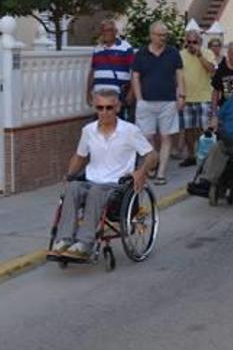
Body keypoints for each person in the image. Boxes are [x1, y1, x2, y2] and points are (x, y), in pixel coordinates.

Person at [49, 89, 157, 260]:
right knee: (73, 188)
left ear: (118, 107)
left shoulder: (130, 131)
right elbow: (80, 157)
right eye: (100, 108)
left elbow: (152, 155)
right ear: (95, 108)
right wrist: (69, 176)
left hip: (116, 186)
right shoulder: (88, 131)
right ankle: (63, 240)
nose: (104, 112)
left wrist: (141, 171)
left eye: (109, 108)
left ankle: (84, 243)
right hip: (91, 181)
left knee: (96, 192)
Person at [131, 22, 185, 186]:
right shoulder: (141, 53)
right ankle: (153, 163)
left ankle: (161, 172)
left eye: (165, 35)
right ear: (151, 35)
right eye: (160, 35)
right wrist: (139, 98)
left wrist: (182, 95)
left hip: (168, 101)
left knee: (166, 137)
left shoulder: (173, 53)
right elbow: (135, 77)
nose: (163, 38)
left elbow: (180, 75)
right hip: (146, 101)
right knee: (147, 137)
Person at [178, 30, 216, 167]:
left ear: (200, 42)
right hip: (187, 97)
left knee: (203, 128)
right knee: (188, 129)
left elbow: (212, 70)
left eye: (195, 42)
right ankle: (191, 155)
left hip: (204, 97)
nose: (191, 45)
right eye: (189, 42)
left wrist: (200, 56)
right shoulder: (180, 55)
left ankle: (205, 155)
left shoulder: (207, 53)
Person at [87, 20, 135, 121]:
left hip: (118, 95)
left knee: (119, 125)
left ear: (115, 31)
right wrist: (88, 92)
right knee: (100, 124)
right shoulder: (97, 49)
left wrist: (131, 92)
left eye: (108, 30)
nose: (105, 33)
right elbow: (92, 71)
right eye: (103, 30)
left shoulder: (126, 47)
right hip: (100, 95)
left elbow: (134, 71)